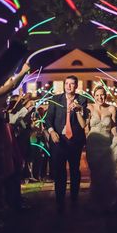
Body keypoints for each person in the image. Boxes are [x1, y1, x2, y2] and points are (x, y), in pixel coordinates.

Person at [86, 85, 117, 212]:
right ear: (94, 96)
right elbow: (86, 127)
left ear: (105, 96)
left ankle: (109, 201)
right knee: (96, 173)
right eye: (97, 95)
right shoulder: (89, 107)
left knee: (107, 172)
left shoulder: (111, 108)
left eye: (102, 95)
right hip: (93, 143)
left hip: (106, 142)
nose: (100, 97)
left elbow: (113, 127)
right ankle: (96, 201)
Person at [45, 75, 88, 213]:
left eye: (72, 84)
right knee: (59, 171)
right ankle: (60, 200)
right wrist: (52, 132)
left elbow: (83, 122)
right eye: (67, 83)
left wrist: (78, 110)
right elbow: (48, 119)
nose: (69, 86)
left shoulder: (82, 99)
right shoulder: (55, 99)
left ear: (76, 86)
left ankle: (74, 198)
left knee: (75, 170)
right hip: (59, 140)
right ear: (64, 85)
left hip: (75, 141)